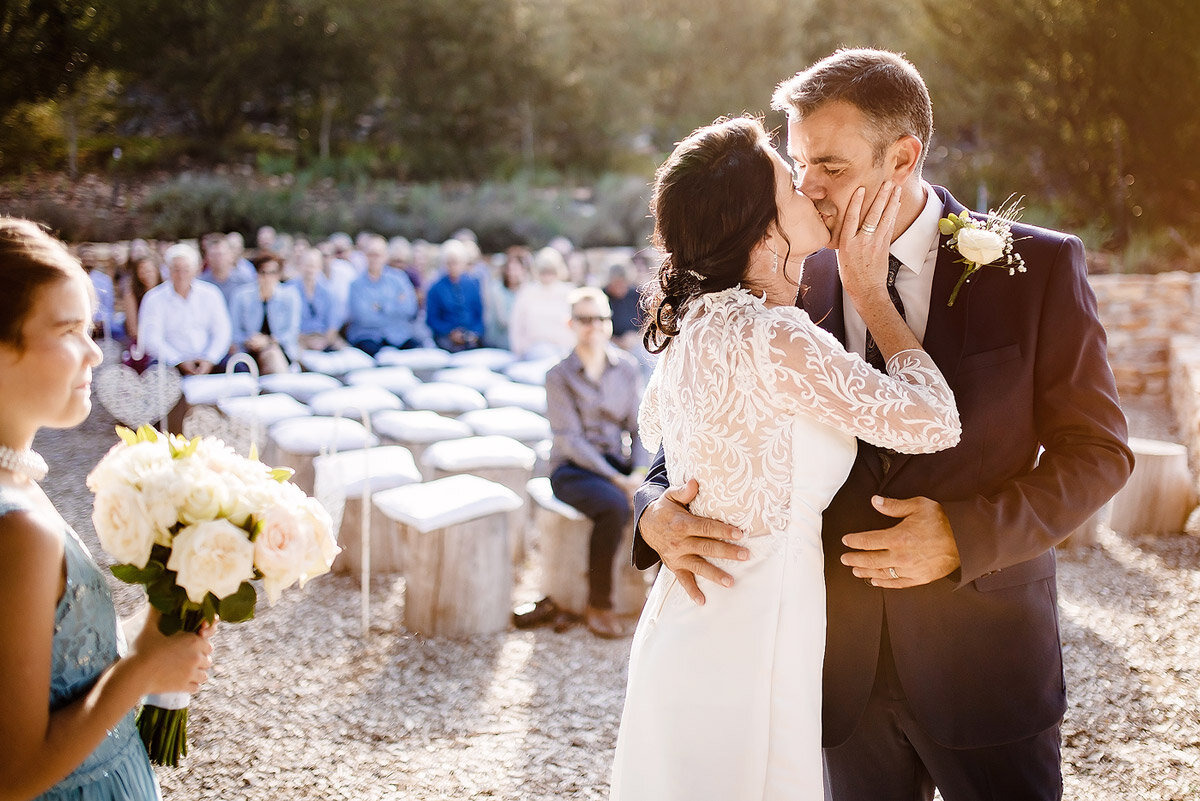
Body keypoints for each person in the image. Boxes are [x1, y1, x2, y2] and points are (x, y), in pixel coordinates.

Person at [633, 50, 1134, 801]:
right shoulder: (788, 273)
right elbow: (698, 430)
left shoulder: (1038, 268)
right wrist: (653, 516)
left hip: (986, 662)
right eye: (798, 164)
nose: (808, 187)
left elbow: (1098, 453)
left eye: (830, 165)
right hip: (831, 672)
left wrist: (967, 533)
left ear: (904, 156)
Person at [609, 115, 961, 800]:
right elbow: (933, 420)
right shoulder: (776, 337)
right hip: (755, 630)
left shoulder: (695, 329)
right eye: (787, 178)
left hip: (693, 619)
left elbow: (671, 460)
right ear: (765, 229)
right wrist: (873, 302)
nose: (806, 186)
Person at [0, 218, 215, 800]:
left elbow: (52, 671)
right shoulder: (17, 528)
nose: (95, 351)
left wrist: (147, 636)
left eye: (91, 327)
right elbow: (12, 773)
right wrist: (142, 673)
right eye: (68, 329)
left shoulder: (15, 480)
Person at [545, 287, 648, 639]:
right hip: (572, 469)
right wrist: (619, 481)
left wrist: (637, 472)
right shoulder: (558, 375)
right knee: (613, 506)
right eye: (585, 320)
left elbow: (639, 428)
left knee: (658, 495)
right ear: (571, 324)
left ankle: (656, 594)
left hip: (617, 463)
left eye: (601, 318)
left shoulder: (627, 368)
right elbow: (569, 440)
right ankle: (599, 604)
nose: (594, 326)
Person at [138, 243, 232, 377]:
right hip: (170, 362)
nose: (181, 275)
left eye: (186, 270)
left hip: (208, 360)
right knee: (155, 375)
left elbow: (222, 331)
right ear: (168, 270)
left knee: (239, 368)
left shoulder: (211, 294)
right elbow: (151, 338)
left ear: (196, 270)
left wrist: (209, 359)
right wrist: (179, 361)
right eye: (176, 270)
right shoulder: (153, 298)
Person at [344, 235, 423, 355]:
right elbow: (363, 317)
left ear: (386, 256)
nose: (374, 259)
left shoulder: (399, 279)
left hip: (398, 335)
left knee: (417, 350)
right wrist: (395, 305)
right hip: (368, 336)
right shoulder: (356, 285)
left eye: (378, 254)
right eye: (371, 254)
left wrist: (380, 308)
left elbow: (410, 308)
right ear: (365, 256)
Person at [228, 253, 302, 374]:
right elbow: (233, 330)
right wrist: (249, 340)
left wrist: (268, 341)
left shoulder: (290, 296)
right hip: (247, 349)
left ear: (279, 274)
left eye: (272, 272)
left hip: (280, 348)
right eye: (263, 272)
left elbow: (292, 331)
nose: (267, 277)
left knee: (271, 354)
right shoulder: (241, 295)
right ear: (256, 273)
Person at [508, 247, 576, 360]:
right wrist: (519, 349)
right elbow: (516, 325)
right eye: (544, 271)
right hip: (534, 351)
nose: (547, 276)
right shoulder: (526, 293)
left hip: (564, 350)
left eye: (551, 271)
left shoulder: (569, 292)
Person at [425, 239, 485, 352]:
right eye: (449, 262)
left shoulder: (472, 284)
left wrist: (475, 333)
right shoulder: (436, 288)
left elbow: (479, 314)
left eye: (456, 262)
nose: (453, 266)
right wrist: (449, 332)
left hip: (470, 335)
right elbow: (432, 319)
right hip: (446, 337)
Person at [287, 248, 345, 352]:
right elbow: (287, 325)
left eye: (313, 265)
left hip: (323, 340)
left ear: (320, 267)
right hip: (298, 340)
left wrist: (324, 341)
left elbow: (333, 324)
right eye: (307, 265)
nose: (310, 269)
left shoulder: (329, 291)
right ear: (300, 265)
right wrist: (305, 341)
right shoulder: (289, 290)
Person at [199, 234, 254, 311]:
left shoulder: (245, 280)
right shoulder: (201, 283)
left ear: (231, 256)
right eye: (213, 255)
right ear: (207, 257)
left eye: (220, 254)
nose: (217, 259)